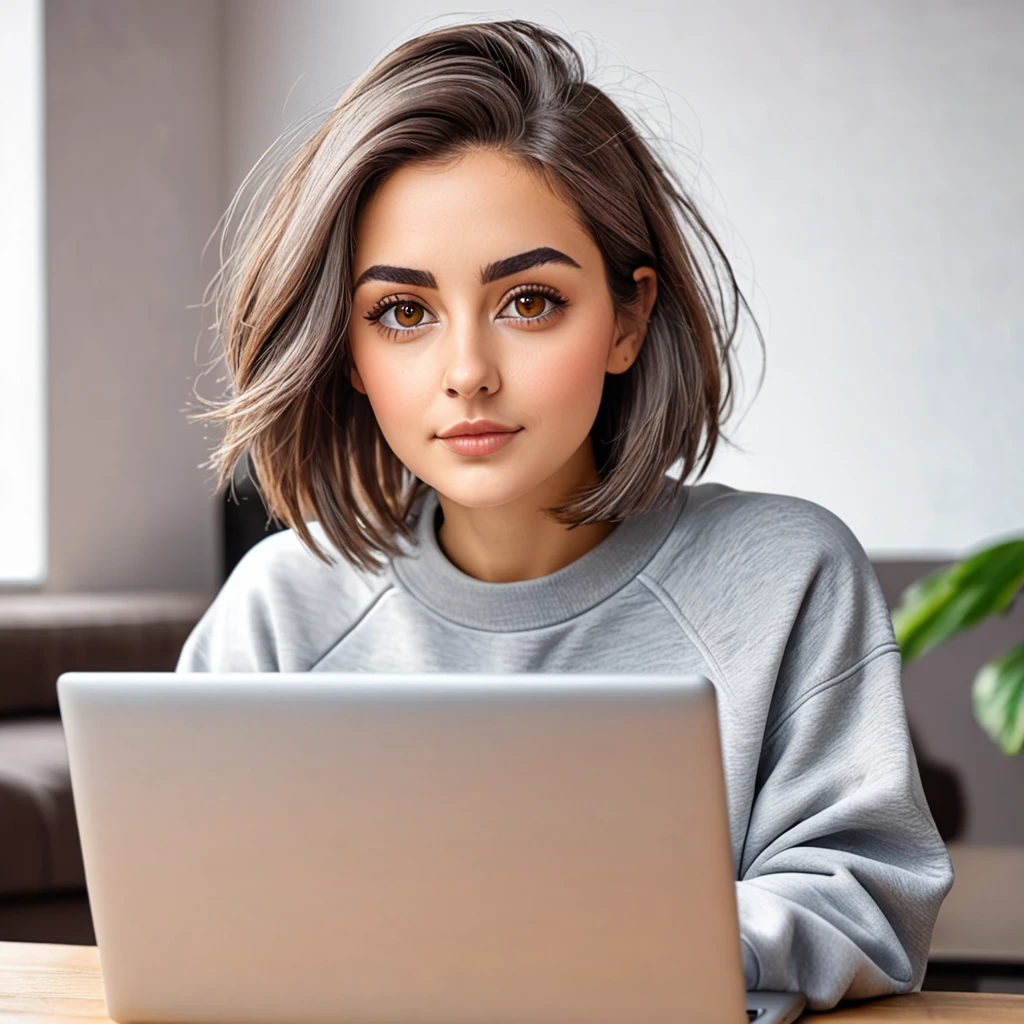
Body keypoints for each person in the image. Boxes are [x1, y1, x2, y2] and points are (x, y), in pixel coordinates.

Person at [176, 18, 954, 1011]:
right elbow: (197, 917)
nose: (466, 374)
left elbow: (868, 900)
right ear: (347, 352)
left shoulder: (787, 575)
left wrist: (581, 952)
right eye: (402, 313)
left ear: (627, 319)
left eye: (529, 301)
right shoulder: (277, 609)